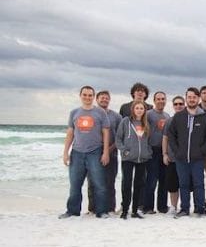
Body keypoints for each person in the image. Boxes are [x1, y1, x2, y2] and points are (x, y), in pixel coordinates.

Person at [59, 86, 111, 219]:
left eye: (90, 95)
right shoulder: (74, 112)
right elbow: (70, 133)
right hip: (77, 152)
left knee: (99, 184)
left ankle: (101, 211)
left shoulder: (100, 112)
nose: (87, 97)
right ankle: (72, 211)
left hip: (95, 151)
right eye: (85, 95)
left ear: (93, 97)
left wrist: (105, 152)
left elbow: (106, 132)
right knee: (75, 184)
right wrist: (66, 152)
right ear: (80, 96)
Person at [167, 87, 206, 218]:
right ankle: (184, 209)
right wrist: (177, 151)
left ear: (198, 98)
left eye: (194, 97)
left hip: (198, 158)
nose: (192, 99)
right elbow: (171, 135)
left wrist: (202, 151)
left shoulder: (204, 116)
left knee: (198, 184)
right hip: (181, 158)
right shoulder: (179, 116)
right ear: (186, 98)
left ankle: (200, 209)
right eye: (189, 97)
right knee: (183, 184)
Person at [116, 101, 152, 219]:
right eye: (137, 108)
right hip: (128, 158)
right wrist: (124, 150)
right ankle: (125, 210)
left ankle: (135, 210)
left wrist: (148, 152)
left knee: (139, 185)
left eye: (141, 108)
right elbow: (118, 138)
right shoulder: (125, 121)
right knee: (127, 184)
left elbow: (149, 140)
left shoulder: (146, 123)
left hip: (142, 159)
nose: (139, 110)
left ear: (144, 110)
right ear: (133, 109)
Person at [88, 90, 121, 214]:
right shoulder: (91, 114)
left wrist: (109, 149)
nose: (104, 100)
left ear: (109, 100)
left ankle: (110, 208)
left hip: (111, 153)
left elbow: (120, 136)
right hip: (93, 153)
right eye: (102, 98)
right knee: (92, 182)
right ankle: (92, 209)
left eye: (106, 98)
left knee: (109, 182)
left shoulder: (116, 116)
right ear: (97, 99)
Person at [143, 91, 169, 214]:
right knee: (151, 180)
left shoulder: (167, 116)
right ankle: (148, 207)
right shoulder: (148, 114)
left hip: (163, 151)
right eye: (158, 99)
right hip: (151, 150)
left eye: (163, 99)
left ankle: (162, 206)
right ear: (154, 101)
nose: (161, 101)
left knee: (164, 180)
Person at [162, 96, 185, 216]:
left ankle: (185, 206)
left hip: (186, 158)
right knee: (172, 184)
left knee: (185, 184)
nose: (178, 106)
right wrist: (164, 154)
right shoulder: (169, 121)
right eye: (176, 104)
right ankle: (173, 206)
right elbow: (165, 138)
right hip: (172, 158)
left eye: (181, 104)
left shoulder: (189, 119)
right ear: (173, 106)